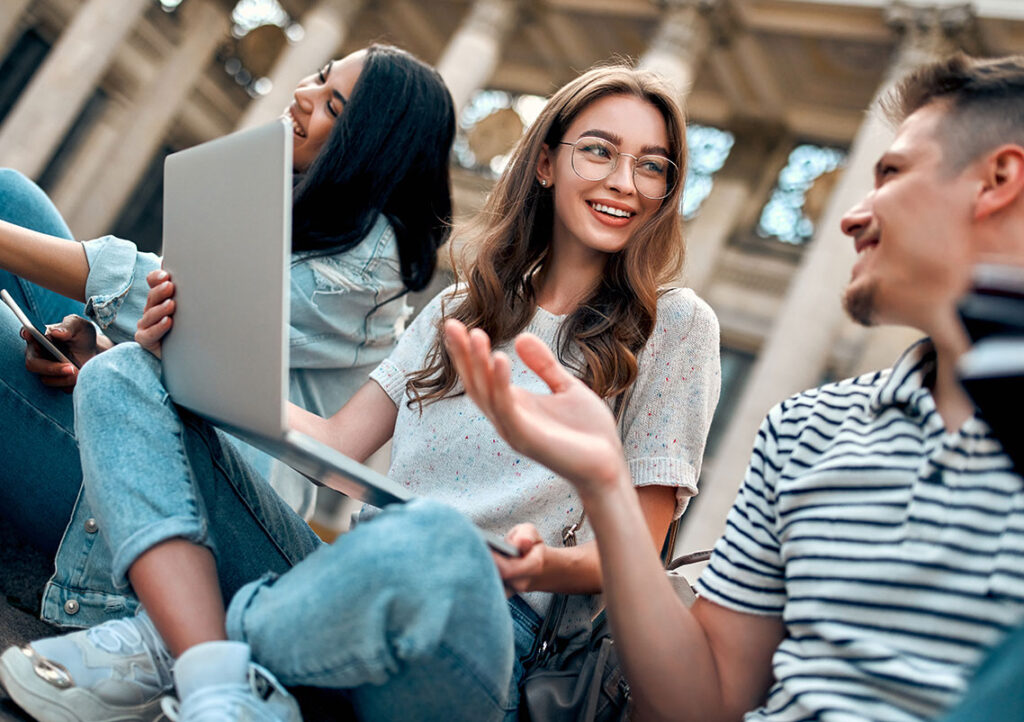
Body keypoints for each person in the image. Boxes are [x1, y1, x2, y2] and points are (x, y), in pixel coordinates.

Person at [0, 63, 720, 722]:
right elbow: (336, 444)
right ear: (544, 162)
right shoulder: (459, 309)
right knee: (122, 374)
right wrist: (177, 363)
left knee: (437, 541)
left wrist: (531, 565)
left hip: (489, 629)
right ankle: (219, 684)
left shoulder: (676, 326)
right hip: (347, 573)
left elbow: (636, 557)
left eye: (652, 167)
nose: (626, 182)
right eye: (599, 151)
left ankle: (182, 644)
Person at [446, 52, 1024, 722]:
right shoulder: (805, 430)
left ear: (999, 179)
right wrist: (606, 485)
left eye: (890, 174)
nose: (849, 216)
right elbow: (703, 706)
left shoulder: (683, 326)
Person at [0, 42, 456, 551]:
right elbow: (200, 357)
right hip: (154, 421)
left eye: (333, 106)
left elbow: (182, 300)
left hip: (191, 489)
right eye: (319, 77)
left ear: (373, 147)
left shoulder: (371, 256)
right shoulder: (297, 196)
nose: (303, 95)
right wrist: (101, 355)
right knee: (11, 194)